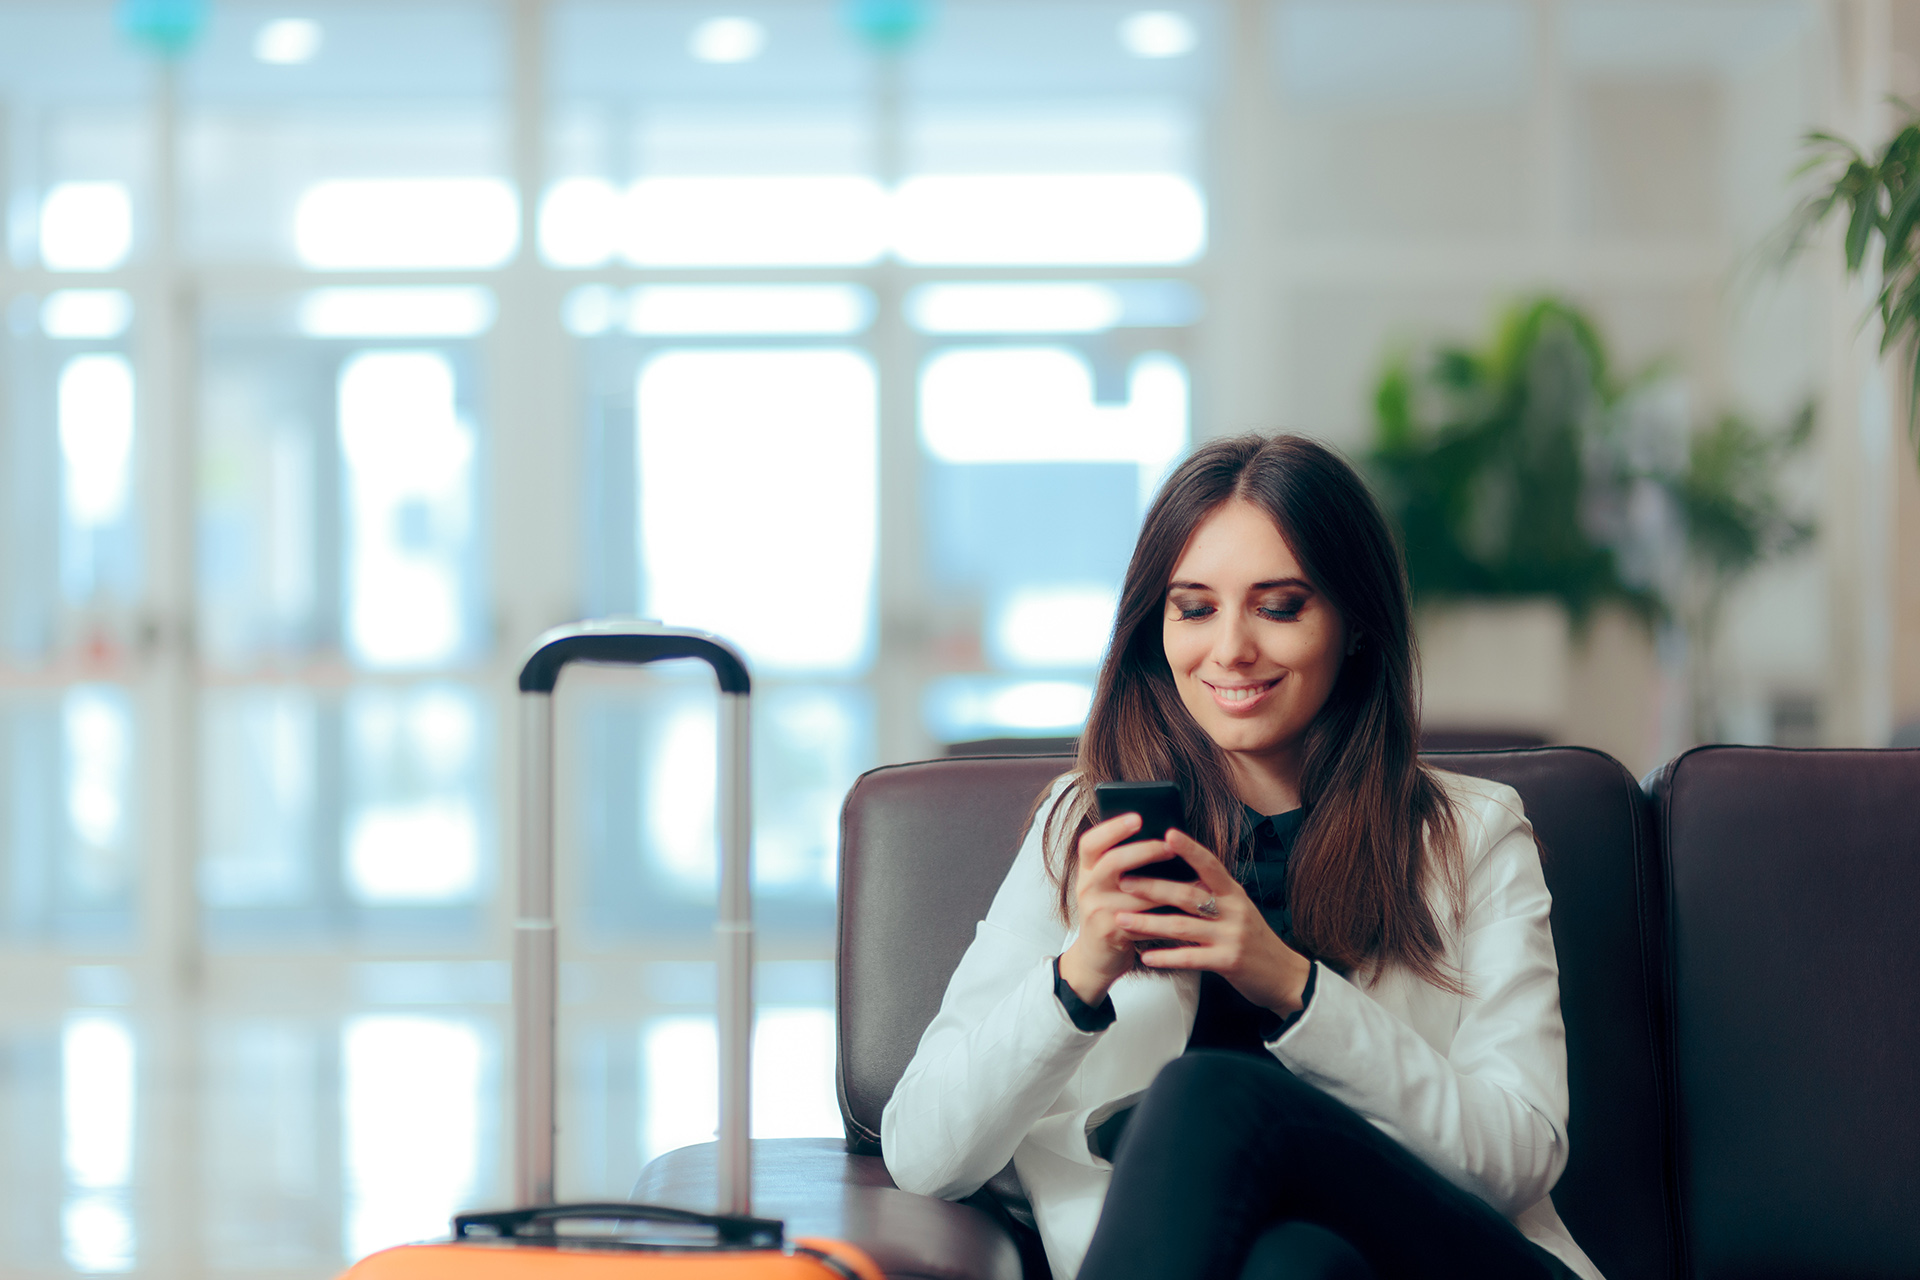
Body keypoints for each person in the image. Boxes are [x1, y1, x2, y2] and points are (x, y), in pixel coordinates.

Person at [881, 435, 1603, 1280]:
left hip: (1459, 1261)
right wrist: (1079, 973)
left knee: (1202, 1098)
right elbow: (922, 1154)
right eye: (1194, 608)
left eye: (1280, 606)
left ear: (1357, 624)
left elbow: (1518, 1155)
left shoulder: (1472, 833)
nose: (1230, 649)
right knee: (1294, 1264)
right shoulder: (1081, 832)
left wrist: (1288, 986)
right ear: (1156, 628)